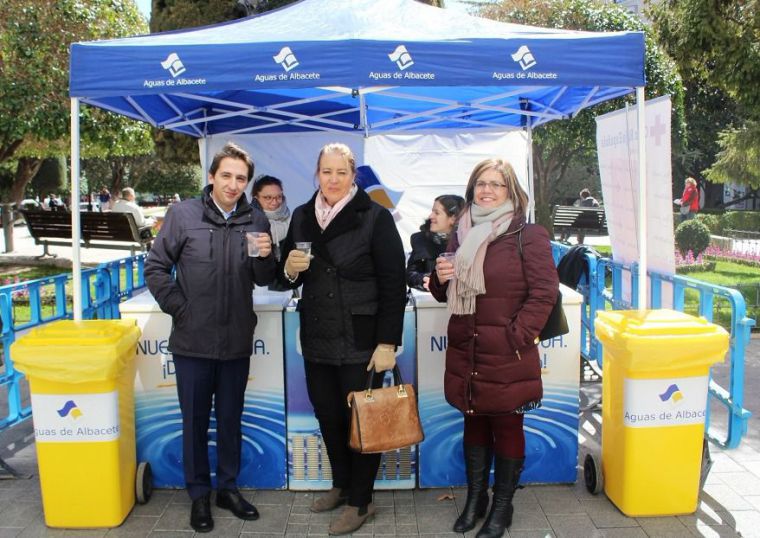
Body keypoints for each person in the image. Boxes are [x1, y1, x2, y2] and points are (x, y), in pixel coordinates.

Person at [144, 142, 275, 533]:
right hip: (193, 342)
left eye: (241, 178)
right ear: (212, 177)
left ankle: (228, 489)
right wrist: (183, 311)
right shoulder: (183, 214)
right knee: (195, 422)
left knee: (231, 419)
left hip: (235, 340)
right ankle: (199, 494)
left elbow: (264, 278)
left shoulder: (255, 219)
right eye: (227, 176)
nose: (233, 184)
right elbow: (155, 268)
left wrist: (267, 257)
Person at [278, 143, 406, 535]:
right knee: (329, 417)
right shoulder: (301, 215)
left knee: (362, 422)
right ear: (316, 174)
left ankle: (361, 501)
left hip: (361, 339)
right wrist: (288, 268)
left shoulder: (375, 217)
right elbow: (285, 272)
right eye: (326, 172)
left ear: (353, 176)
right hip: (317, 333)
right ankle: (341, 484)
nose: (332, 180)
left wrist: (387, 343)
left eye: (341, 172)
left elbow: (392, 281)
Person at [429, 159, 558, 538]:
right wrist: (439, 279)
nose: (486, 190)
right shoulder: (461, 232)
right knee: (473, 419)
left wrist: (516, 336)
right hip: (467, 348)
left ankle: (502, 508)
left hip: (507, 352)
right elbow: (444, 292)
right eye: (480, 184)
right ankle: (475, 499)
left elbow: (544, 293)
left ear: (511, 192)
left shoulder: (527, 234)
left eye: (496, 185)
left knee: (507, 423)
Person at [406, 194, 464, 291]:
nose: (431, 216)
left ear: (453, 218)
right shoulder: (421, 240)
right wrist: (426, 280)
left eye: (436, 213)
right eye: (432, 211)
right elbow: (411, 275)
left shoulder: (471, 241)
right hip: (432, 303)